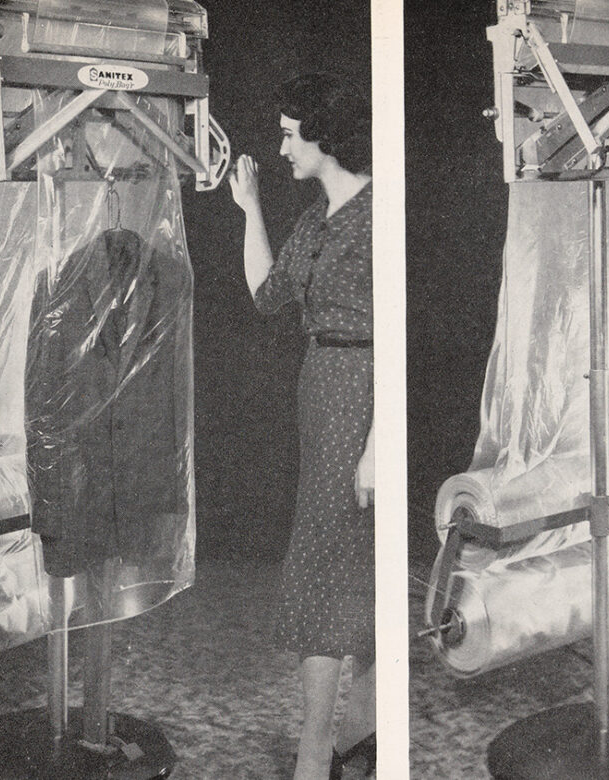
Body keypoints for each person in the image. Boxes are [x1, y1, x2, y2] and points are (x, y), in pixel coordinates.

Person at [229, 72, 375, 780]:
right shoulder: (316, 217)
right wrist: (250, 207)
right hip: (323, 390)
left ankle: (316, 752)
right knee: (346, 560)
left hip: (366, 396)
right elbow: (267, 298)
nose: (282, 147)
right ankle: (359, 725)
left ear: (325, 135)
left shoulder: (380, 211)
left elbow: (398, 334)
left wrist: (379, 443)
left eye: (291, 134)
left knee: (327, 566)